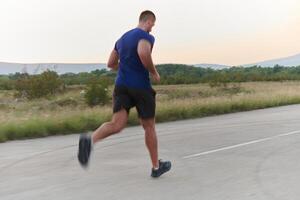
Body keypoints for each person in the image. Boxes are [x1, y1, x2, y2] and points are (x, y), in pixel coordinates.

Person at [77, 10, 171, 178]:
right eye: (153, 25)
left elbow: (111, 63)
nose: (152, 29)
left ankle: (89, 141)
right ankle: (156, 167)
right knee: (149, 127)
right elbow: (143, 53)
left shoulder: (121, 39)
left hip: (121, 87)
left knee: (116, 125)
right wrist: (154, 72)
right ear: (148, 21)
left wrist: (126, 68)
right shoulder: (146, 36)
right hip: (141, 87)